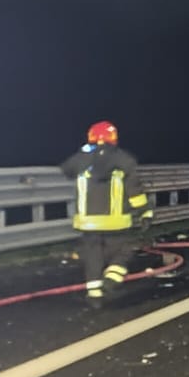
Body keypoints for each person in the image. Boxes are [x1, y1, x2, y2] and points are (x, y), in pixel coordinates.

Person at [59, 121, 154, 303]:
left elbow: (65, 169)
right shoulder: (124, 160)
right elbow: (134, 191)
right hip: (116, 222)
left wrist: (85, 151)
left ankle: (95, 296)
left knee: (93, 257)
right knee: (124, 251)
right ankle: (111, 279)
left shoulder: (81, 160)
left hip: (88, 224)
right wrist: (145, 212)